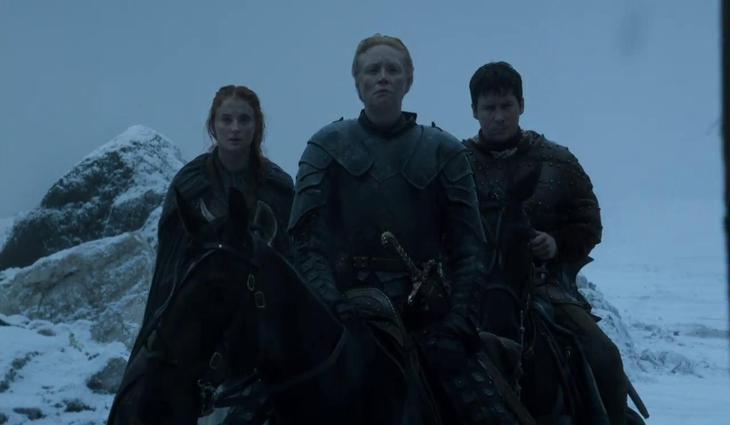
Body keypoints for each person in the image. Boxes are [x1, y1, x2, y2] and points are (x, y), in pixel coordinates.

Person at [288, 34, 516, 424]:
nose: (383, 77)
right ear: (357, 81)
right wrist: (332, 306)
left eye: (392, 69)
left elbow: (469, 248)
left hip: (427, 318)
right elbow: (305, 240)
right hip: (342, 316)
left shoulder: (444, 150)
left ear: (408, 80)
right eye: (372, 70)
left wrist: (457, 323)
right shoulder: (325, 146)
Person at [108, 85, 294, 423]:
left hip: (262, 316)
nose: (235, 128)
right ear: (213, 125)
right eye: (226, 119)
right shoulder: (190, 184)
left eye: (244, 120)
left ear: (257, 126)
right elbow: (173, 262)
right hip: (196, 316)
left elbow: (291, 257)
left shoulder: (277, 187)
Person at [463, 61, 628, 425]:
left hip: (545, 287)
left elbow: (588, 222)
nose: (499, 116)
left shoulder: (557, 161)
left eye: (506, 106)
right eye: (489, 108)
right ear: (474, 110)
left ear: (521, 105)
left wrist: (556, 244)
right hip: (470, 289)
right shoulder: (456, 164)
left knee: (603, 355)